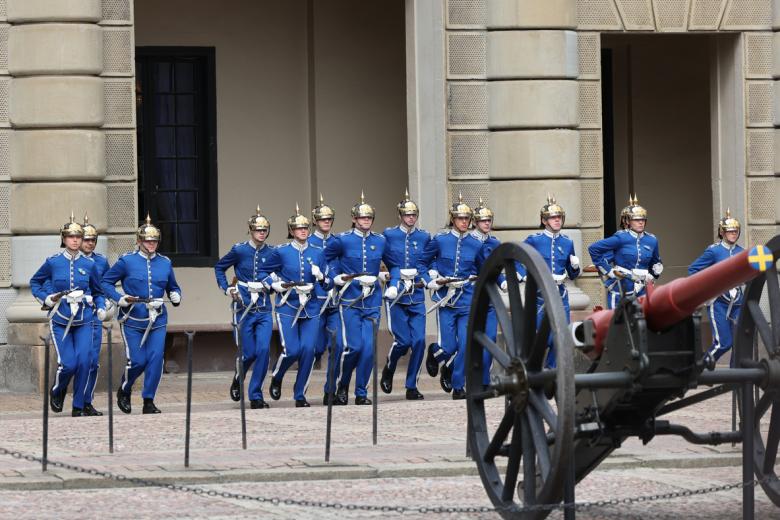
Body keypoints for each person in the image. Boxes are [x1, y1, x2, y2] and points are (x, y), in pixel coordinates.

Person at [101, 215, 181, 414]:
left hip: (158, 318)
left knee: (155, 359)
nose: (151, 244)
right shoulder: (127, 261)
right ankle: (125, 388)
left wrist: (175, 294)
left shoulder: (165, 262)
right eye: (147, 240)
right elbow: (105, 283)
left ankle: (148, 399)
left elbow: (173, 286)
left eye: (154, 241)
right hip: (133, 318)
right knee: (137, 360)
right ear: (139, 241)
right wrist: (119, 298)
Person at [30, 213, 107, 417]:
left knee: (84, 361)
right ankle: (58, 389)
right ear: (64, 239)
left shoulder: (90, 265)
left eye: (78, 237)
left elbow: (98, 291)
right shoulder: (53, 262)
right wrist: (46, 299)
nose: (75, 240)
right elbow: (35, 282)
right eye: (70, 237)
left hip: (84, 320)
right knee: (69, 363)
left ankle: (78, 405)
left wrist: (100, 307)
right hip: (61, 319)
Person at [419, 193, 487, 400]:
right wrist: (429, 278)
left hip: (467, 297)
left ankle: (458, 385)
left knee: (466, 345)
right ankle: (435, 351)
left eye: (467, 219)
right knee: (449, 346)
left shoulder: (476, 244)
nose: (464, 222)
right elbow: (422, 262)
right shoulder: (440, 240)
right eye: (460, 219)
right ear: (453, 219)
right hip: (446, 299)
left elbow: (483, 268)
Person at [262, 205, 331, 407]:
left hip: (310, 306)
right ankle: (278, 375)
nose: (303, 231)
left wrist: (321, 276)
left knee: (309, 350)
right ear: (291, 231)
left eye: (305, 228)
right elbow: (264, 274)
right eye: (298, 228)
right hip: (288, 306)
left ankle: (300, 394)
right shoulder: (281, 252)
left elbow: (327, 283)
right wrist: (273, 284)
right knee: (291, 350)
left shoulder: (318, 252)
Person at [324, 192, 388, 405]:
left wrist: (392, 280)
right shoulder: (342, 239)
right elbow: (324, 259)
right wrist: (335, 276)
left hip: (372, 300)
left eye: (369, 218)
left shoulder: (380, 240)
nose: (366, 221)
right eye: (362, 218)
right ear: (354, 219)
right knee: (354, 347)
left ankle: (361, 392)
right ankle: (342, 385)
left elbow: (394, 265)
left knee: (369, 349)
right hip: (350, 299)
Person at [214, 206, 275, 409]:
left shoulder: (272, 252)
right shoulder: (240, 250)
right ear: (250, 230)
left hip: (264, 309)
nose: (261, 233)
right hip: (243, 308)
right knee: (248, 353)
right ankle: (239, 376)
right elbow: (220, 267)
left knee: (264, 351)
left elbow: (279, 275)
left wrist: (269, 282)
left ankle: (256, 395)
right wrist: (227, 289)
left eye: (264, 230)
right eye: (258, 230)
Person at [380, 189, 431, 400]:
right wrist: (383, 274)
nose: (411, 218)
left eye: (414, 215)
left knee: (419, 341)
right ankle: (390, 368)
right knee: (403, 341)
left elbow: (429, 259)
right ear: (400, 216)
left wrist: (430, 274)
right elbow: (378, 257)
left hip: (416, 294)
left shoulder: (424, 236)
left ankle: (412, 385)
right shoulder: (389, 234)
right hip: (396, 294)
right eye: (407, 214)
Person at [522, 195, 581, 368]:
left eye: (559, 217)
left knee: (563, 335)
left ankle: (551, 369)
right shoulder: (534, 240)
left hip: (560, 294)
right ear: (544, 220)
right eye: (553, 218)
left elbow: (572, 274)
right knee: (543, 336)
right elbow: (518, 258)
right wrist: (524, 274)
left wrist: (575, 267)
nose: (557, 221)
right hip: (540, 294)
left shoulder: (567, 242)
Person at [688, 209, 744, 367]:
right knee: (724, 343)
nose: (733, 234)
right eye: (730, 231)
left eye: (735, 231)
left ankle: (735, 376)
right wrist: (708, 290)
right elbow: (693, 270)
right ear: (722, 232)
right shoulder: (714, 251)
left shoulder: (741, 252)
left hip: (738, 302)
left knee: (740, 342)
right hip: (718, 301)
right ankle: (701, 368)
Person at [588, 195, 663, 309]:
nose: (640, 222)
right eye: (636, 220)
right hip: (621, 287)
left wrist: (654, 273)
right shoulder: (621, 238)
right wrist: (608, 271)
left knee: (643, 321)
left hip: (642, 289)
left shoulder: (652, 240)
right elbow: (593, 248)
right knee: (617, 321)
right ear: (627, 221)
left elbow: (655, 263)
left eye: (642, 219)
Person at [308, 195, 342, 405]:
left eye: (329, 219)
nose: (326, 222)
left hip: (335, 299)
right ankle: (300, 390)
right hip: (314, 301)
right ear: (315, 222)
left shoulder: (338, 242)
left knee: (337, 345)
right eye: (322, 220)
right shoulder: (308, 242)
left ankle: (331, 390)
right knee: (316, 348)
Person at [80, 213, 111, 416]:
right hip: (74, 314)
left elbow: (106, 283)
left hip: (94, 315)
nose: (89, 243)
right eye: (86, 239)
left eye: (93, 240)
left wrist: (107, 300)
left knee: (92, 360)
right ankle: (62, 389)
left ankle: (86, 401)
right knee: (74, 361)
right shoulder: (67, 260)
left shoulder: (101, 261)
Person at [471, 199, 500, 384]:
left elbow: (497, 268)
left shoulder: (495, 242)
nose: (487, 223)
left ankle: (483, 380)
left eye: (489, 220)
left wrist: (503, 281)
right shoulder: (467, 241)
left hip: (489, 295)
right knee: (468, 340)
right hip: (470, 294)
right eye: (483, 221)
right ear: (475, 222)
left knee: (489, 338)